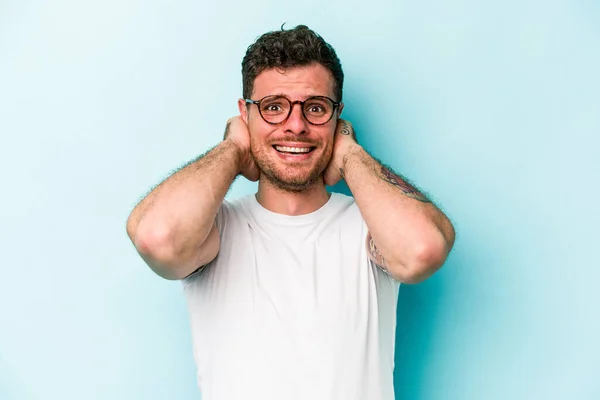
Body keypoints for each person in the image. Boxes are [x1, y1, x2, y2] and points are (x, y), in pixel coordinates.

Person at [126, 25, 455, 400]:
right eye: (273, 108)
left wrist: (349, 154)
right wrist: (234, 148)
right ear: (245, 113)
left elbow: (423, 250)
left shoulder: (371, 229)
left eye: (315, 108)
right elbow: (157, 238)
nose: (296, 126)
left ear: (337, 117)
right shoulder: (214, 233)